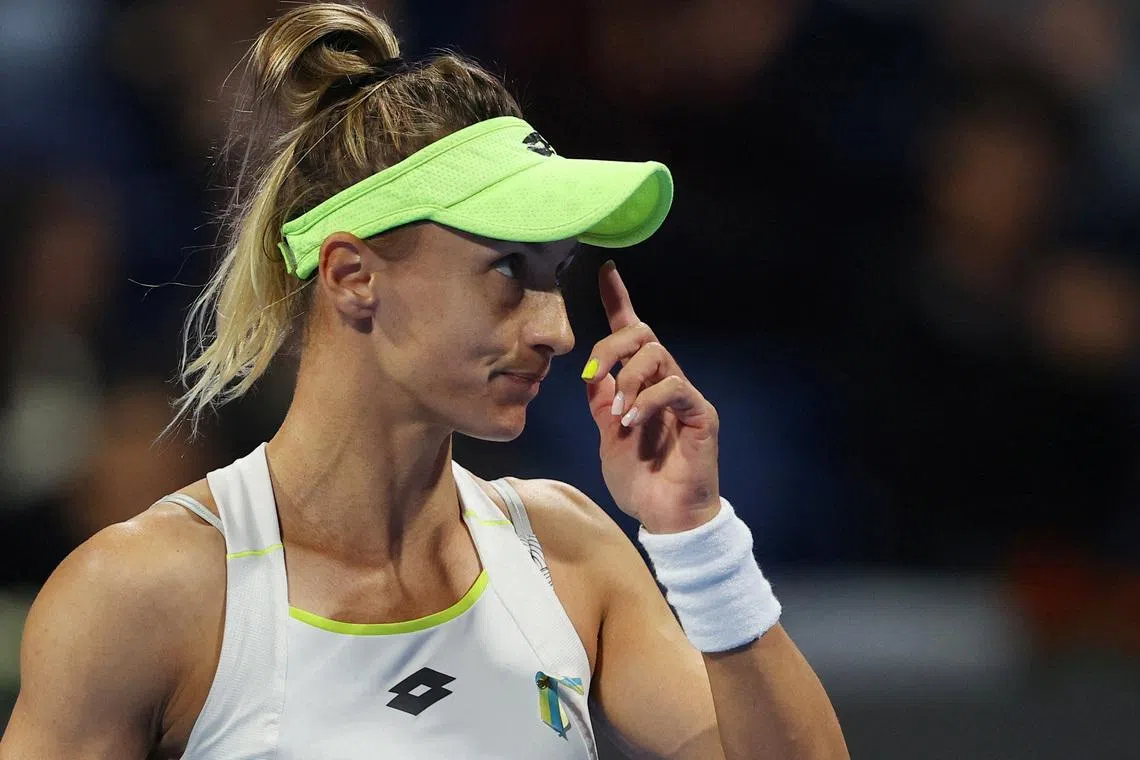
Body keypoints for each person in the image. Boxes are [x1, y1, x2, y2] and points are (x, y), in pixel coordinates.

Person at [0, 4, 846, 758]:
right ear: (352, 276)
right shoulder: (141, 594)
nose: (556, 329)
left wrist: (696, 538)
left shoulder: (571, 554)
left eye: (559, 275)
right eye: (510, 270)